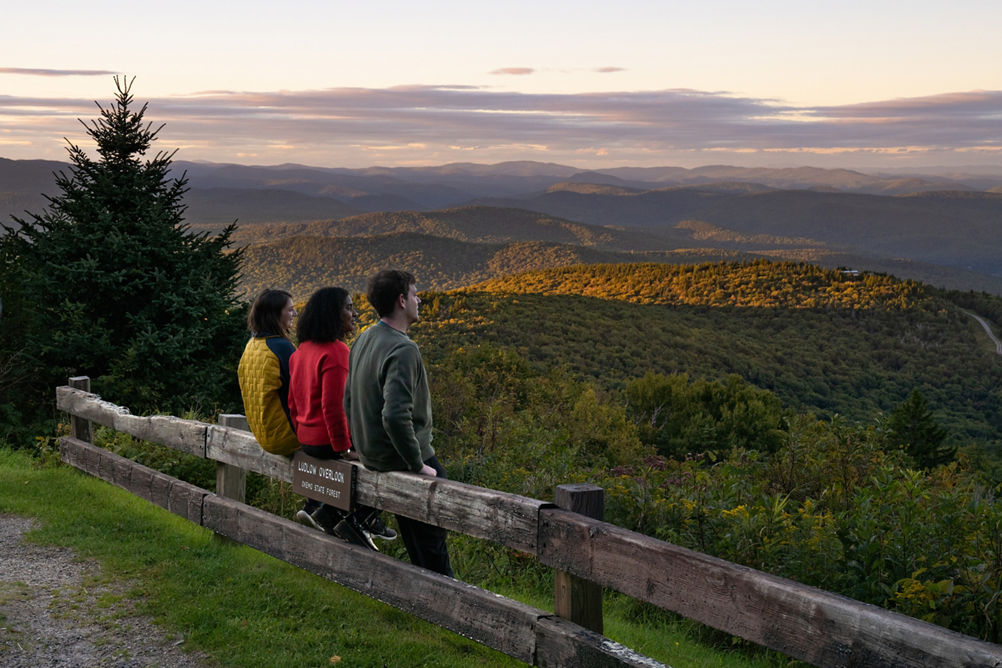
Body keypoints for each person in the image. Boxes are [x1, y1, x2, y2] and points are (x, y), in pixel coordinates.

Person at [345, 270, 453, 576]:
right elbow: (395, 415)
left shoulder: (364, 338)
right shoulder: (403, 349)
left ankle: (424, 603)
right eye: (416, 294)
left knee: (417, 541)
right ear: (402, 300)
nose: (420, 300)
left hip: (372, 456)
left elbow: (349, 400)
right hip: (405, 458)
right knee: (432, 544)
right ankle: (444, 606)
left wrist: (359, 446)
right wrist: (417, 464)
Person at [288, 287, 395, 549]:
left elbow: (292, 403)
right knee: (387, 448)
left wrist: (303, 433)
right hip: (327, 441)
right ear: (332, 314)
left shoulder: (300, 351)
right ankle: (364, 517)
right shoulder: (336, 352)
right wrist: (343, 448)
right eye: (348, 307)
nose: (354, 313)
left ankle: (323, 510)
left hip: (306, 438)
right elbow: (333, 408)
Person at [237, 289, 300, 456]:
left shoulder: (251, 345)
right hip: (288, 437)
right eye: (290, 309)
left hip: (264, 436)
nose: (294, 313)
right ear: (275, 314)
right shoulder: (281, 347)